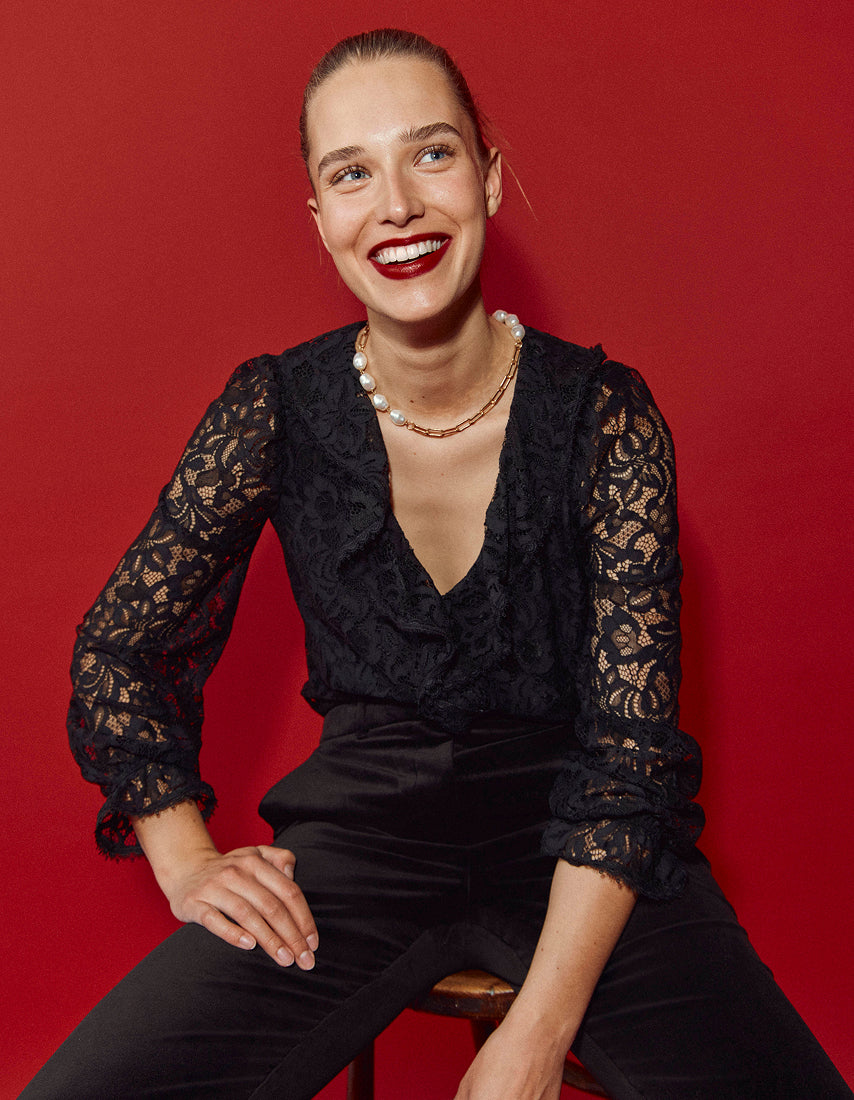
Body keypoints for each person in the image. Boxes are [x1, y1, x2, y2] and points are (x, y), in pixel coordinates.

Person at [22, 28, 851, 1100]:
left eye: (432, 154)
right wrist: (188, 859)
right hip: (357, 854)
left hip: (586, 852)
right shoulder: (273, 407)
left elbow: (631, 753)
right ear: (320, 221)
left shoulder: (605, 416)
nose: (396, 205)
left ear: (489, 179)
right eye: (351, 173)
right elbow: (119, 648)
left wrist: (537, 1030)